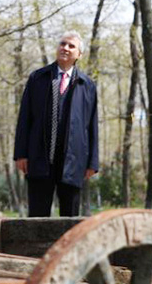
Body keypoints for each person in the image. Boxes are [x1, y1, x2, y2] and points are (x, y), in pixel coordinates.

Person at [13, 31, 99, 217]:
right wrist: (21, 154)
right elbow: (25, 118)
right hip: (39, 158)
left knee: (70, 219)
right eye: (62, 44)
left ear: (79, 54)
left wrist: (92, 162)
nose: (65, 48)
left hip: (74, 161)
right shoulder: (38, 78)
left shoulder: (87, 85)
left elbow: (92, 126)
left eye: (71, 46)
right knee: (37, 217)